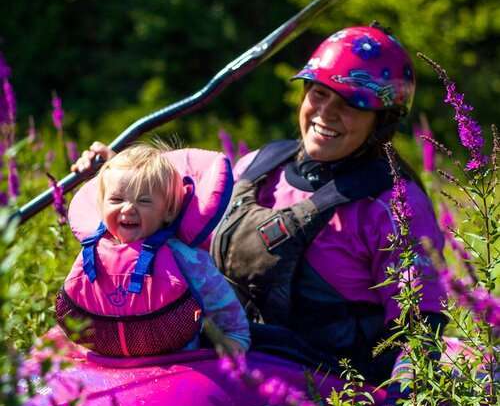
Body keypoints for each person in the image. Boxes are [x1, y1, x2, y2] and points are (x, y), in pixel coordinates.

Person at [73, 23, 446, 385]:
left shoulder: (393, 203)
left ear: (381, 121)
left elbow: (419, 326)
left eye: (350, 103)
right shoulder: (257, 166)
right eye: (319, 93)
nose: (326, 113)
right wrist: (116, 173)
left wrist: (404, 402)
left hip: (325, 387)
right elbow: (168, 226)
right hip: (227, 359)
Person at [60, 142, 250, 357]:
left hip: (173, 365)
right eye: (116, 199)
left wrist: (235, 337)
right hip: (106, 363)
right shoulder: (93, 255)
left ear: (168, 212)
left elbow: (220, 300)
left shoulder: (184, 257)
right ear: (101, 206)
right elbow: (74, 302)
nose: (128, 208)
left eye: (144, 201)